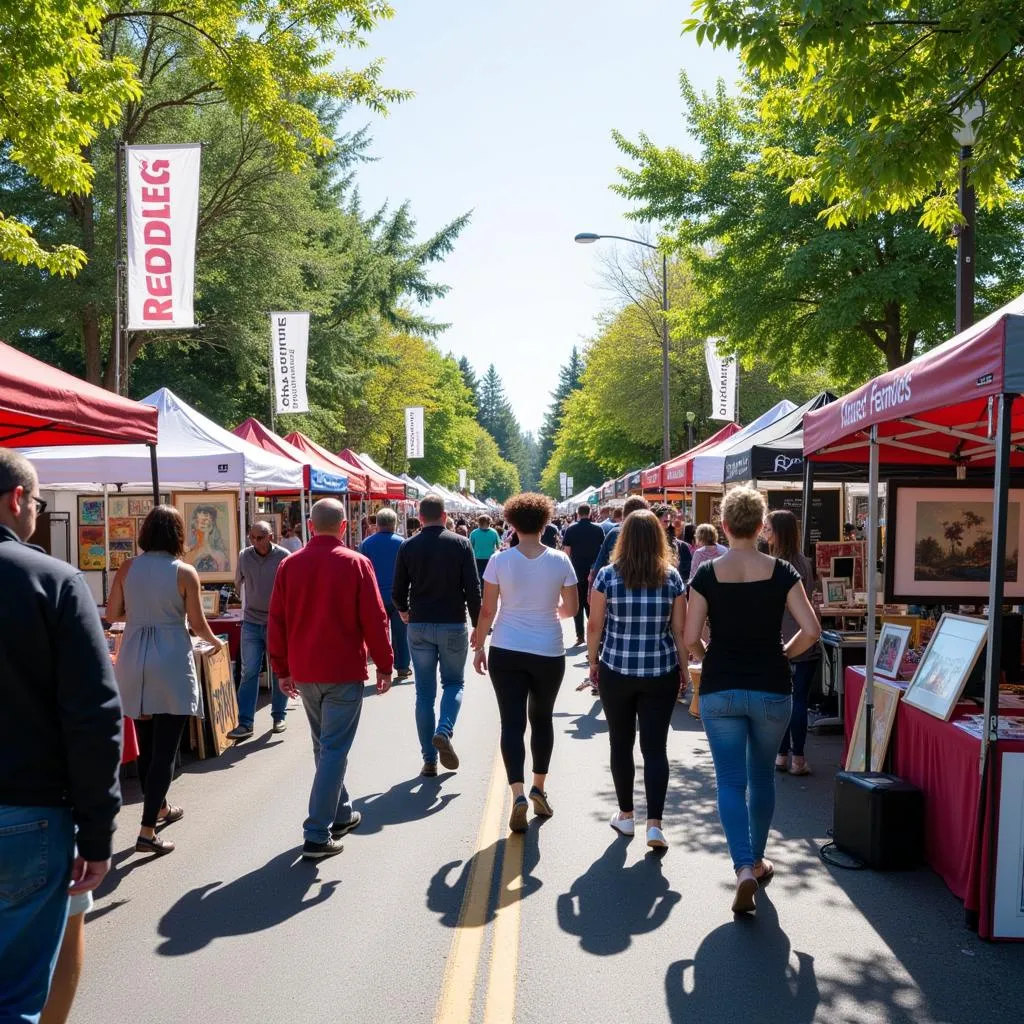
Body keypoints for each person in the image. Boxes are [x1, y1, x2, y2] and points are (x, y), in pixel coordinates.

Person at [0, 451, 122, 1022]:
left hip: (28, 810)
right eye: (39, 503)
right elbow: (94, 716)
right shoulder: (52, 580)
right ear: (18, 499)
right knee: (18, 995)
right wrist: (97, 832)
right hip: (27, 810)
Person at [684, 487, 821, 914]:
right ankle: (758, 860)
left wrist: (710, 659)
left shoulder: (706, 574)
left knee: (729, 782)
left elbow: (690, 638)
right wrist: (784, 653)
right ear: (762, 526)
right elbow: (811, 631)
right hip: (770, 686)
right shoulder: (782, 572)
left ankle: (742, 866)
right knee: (761, 778)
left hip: (721, 687)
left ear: (724, 525)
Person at [268, 498, 394, 860]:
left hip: (306, 669)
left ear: (310, 526)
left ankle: (339, 814)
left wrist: (281, 668)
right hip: (342, 669)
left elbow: (277, 620)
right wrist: (384, 664)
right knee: (333, 748)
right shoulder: (356, 563)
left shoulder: (290, 565)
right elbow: (375, 618)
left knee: (324, 746)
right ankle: (317, 832)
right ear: (343, 527)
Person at [107, 505, 225, 856]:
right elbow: (198, 624)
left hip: (134, 656)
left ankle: (157, 808)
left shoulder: (128, 567)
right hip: (170, 657)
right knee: (166, 750)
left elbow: (112, 614)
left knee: (146, 742)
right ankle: (147, 830)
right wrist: (218, 644)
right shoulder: (184, 572)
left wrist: (141, 615)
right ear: (177, 534)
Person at [471, 493, 578, 832]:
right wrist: (548, 614)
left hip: (506, 647)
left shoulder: (500, 562)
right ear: (546, 524)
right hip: (548, 648)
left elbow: (487, 610)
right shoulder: (560, 561)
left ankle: (516, 792)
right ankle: (539, 787)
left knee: (512, 722)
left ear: (511, 525)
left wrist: (478, 644)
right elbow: (572, 609)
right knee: (542, 719)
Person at [587, 510, 686, 849]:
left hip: (617, 669)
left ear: (623, 539)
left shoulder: (606, 577)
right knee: (656, 748)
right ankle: (655, 824)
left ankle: (626, 815)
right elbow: (680, 630)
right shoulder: (672, 578)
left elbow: (595, 626)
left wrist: (592, 663)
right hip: (660, 670)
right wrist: (684, 669)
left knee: (621, 743)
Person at [392, 495, 481, 776]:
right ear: (444, 516)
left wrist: (404, 611)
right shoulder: (461, 544)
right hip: (452, 623)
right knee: (454, 683)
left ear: (419, 518)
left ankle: (429, 759)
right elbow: (473, 589)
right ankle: (444, 729)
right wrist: (479, 626)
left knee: (424, 694)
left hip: (419, 625)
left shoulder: (408, 546)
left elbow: (397, 591)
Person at [763, 510, 821, 776]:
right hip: (804, 640)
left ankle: (782, 754)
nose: (765, 533)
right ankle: (797, 756)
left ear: (779, 532)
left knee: (781, 700)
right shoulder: (805, 563)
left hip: (778, 640)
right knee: (798, 701)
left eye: (768, 529)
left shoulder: (771, 564)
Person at [227, 520, 291, 741]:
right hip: (252, 621)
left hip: (277, 622)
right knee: (249, 671)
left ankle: (279, 716)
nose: (256, 541)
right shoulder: (245, 556)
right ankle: (245, 722)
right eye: (252, 537)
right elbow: (238, 583)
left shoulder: (283, 556)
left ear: (271, 536)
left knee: (278, 670)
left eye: (261, 537)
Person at [360, 508, 411, 681]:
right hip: (399, 595)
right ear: (394, 523)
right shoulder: (402, 542)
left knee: (379, 634)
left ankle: (383, 666)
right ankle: (403, 666)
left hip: (375, 596)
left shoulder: (366, 544)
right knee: (401, 633)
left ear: (377, 524)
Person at [562, 503, 606, 646]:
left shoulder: (571, 529)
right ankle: (593, 633)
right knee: (593, 605)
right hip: (594, 572)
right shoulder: (598, 529)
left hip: (576, 571)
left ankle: (580, 636)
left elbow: (567, 552)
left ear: (578, 513)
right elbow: (603, 551)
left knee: (578, 605)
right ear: (590, 513)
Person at [590, 496, 650, 582]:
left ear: (624, 515)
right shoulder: (654, 535)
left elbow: (598, 567)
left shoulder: (614, 534)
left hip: (616, 586)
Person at [469, 513, 502, 582]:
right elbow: (499, 547)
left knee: (478, 579)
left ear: (479, 522)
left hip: (477, 559)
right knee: (489, 579)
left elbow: (470, 547)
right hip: (490, 559)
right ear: (489, 523)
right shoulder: (494, 532)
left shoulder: (474, 533)